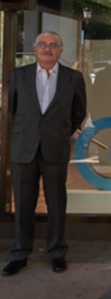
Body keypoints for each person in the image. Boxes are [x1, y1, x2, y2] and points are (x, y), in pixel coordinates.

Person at [2, 32, 87, 276]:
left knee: (56, 203)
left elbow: (79, 112)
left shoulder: (73, 78)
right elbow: (13, 109)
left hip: (55, 147)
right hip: (24, 147)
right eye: (43, 45)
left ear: (60, 51)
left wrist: (60, 131)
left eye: (53, 45)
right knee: (23, 203)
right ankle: (19, 254)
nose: (47, 49)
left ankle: (57, 252)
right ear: (35, 49)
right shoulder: (19, 75)